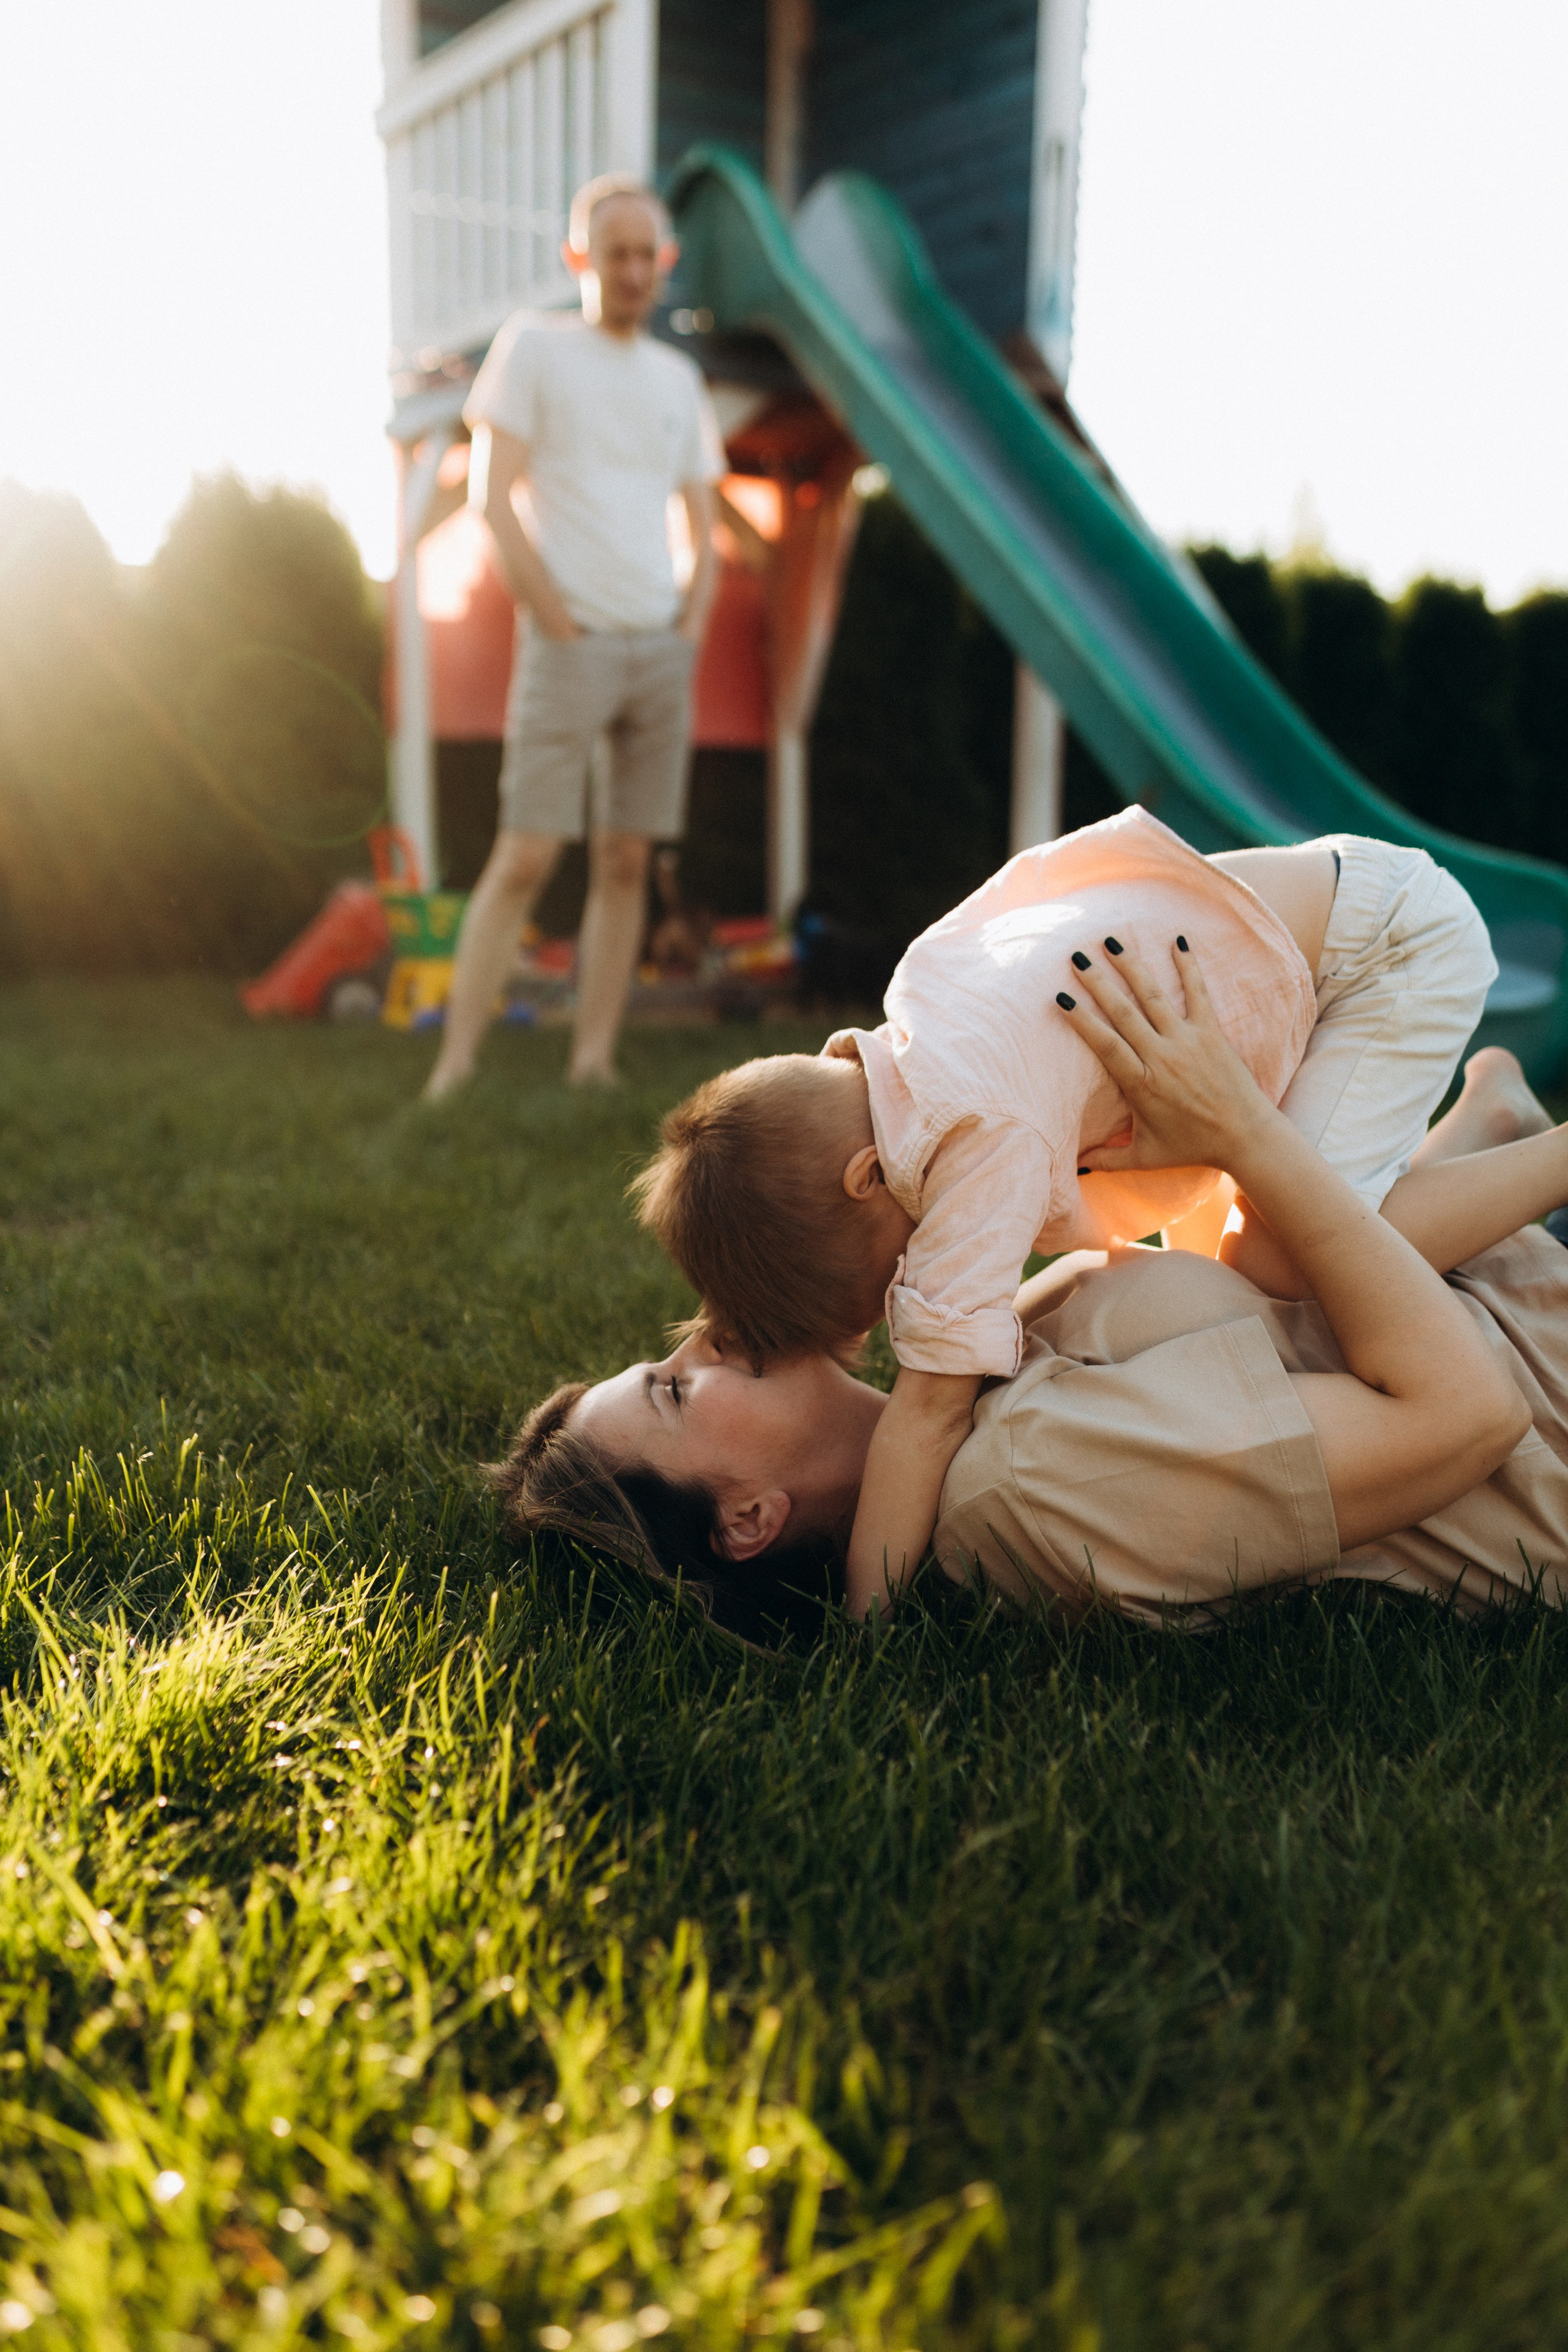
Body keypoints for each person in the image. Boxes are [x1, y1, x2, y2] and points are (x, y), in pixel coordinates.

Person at [495, 972, 1568, 1638]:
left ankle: (1486, 1118)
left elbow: (1264, 1290)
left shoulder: (979, 1382)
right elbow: (1469, 1415)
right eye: (677, 1391)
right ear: (748, 1520)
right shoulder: (1033, 1486)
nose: (713, 1332)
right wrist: (1243, 1131)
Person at [631, 811, 1498, 1613]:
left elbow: (927, 1413)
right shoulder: (914, 1032)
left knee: (1287, 1265)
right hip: (1314, 914)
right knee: (1231, 1276)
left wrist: (868, 1625)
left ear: (868, 1178)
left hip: (1381, 955)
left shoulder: (969, 1137)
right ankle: (1489, 1117)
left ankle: (1539, 1154)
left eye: (887, 1276)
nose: (910, 1285)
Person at [423, 174, 725, 1099]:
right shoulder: (534, 351)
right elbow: (490, 495)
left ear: (663, 263)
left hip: (657, 650)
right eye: (616, 252)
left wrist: (691, 628)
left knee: (628, 860)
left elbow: (704, 526)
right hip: (569, 644)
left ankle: (592, 1058)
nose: (634, 270)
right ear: (579, 258)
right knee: (525, 855)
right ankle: (455, 1066)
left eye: (649, 255)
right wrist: (553, 620)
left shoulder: (679, 378)